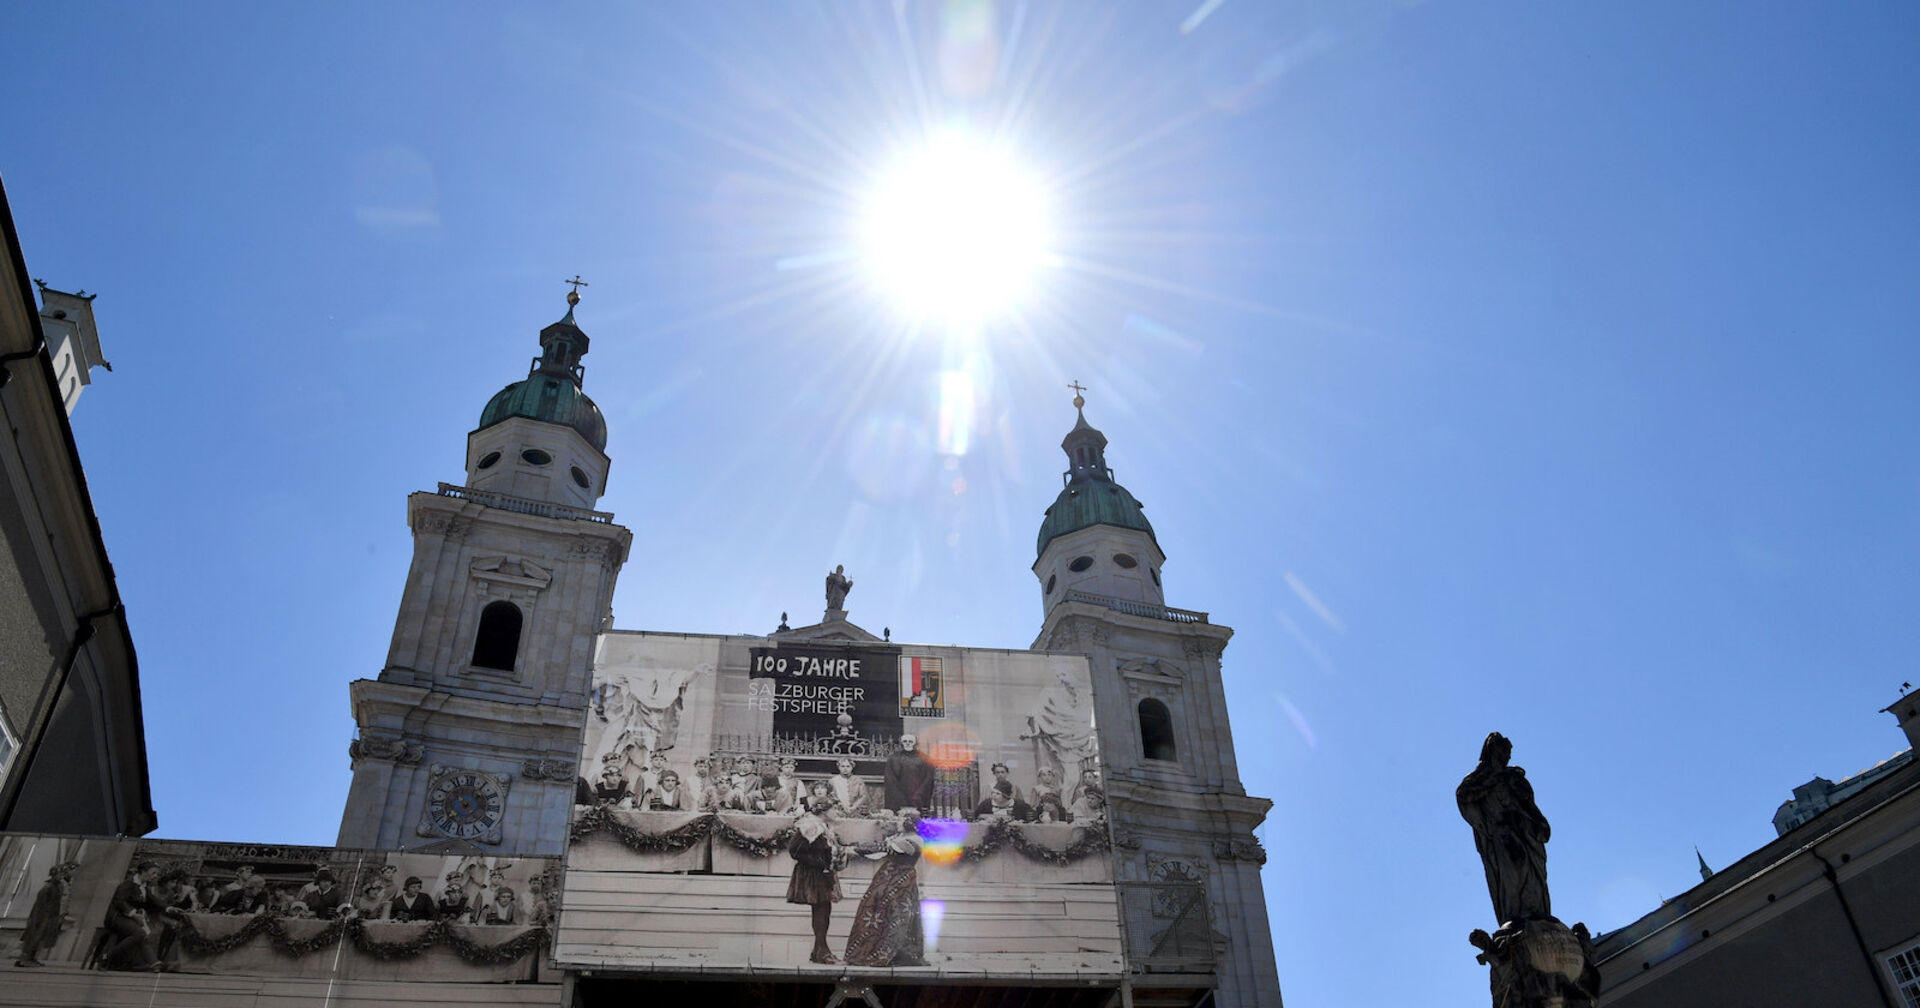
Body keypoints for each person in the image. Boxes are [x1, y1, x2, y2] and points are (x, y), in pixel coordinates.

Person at [1456, 731, 1553, 925]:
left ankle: (1537, 911)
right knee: (1513, 870)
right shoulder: (1478, 779)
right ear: (1493, 751)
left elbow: (1529, 805)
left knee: (1534, 873)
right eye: (1504, 751)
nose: (1507, 756)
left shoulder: (1513, 777)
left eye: (1509, 752)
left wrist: (1539, 823)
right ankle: (1515, 914)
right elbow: (1464, 797)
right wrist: (1490, 785)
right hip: (1501, 833)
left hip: (1523, 829)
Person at [843, 809, 927, 967]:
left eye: (901, 820)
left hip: (900, 881)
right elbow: (882, 848)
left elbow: (883, 848)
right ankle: (874, 949)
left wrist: (854, 849)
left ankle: (886, 951)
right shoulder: (900, 837)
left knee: (894, 913)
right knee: (879, 909)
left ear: (909, 823)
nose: (898, 822)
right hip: (890, 877)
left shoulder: (913, 840)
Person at [786, 797, 842, 964]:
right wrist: (818, 863)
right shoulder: (810, 826)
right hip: (813, 873)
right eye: (833, 809)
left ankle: (819, 950)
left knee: (825, 909)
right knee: (820, 909)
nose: (835, 813)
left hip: (823, 872)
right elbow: (794, 850)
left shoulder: (823, 826)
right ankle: (822, 951)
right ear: (824, 812)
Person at [15, 861, 76, 967]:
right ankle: (24, 959)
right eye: (59, 874)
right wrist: (41, 918)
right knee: (34, 938)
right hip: (42, 917)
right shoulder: (48, 887)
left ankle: (31, 957)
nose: (60, 877)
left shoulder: (57, 887)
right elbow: (41, 905)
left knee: (40, 939)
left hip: (49, 916)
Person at [883, 734, 935, 811]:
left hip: (918, 797)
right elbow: (890, 779)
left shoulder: (925, 759)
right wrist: (898, 795)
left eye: (910, 741)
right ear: (901, 743)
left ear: (915, 743)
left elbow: (928, 778)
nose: (907, 743)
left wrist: (919, 794)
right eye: (905, 741)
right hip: (899, 798)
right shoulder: (893, 759)